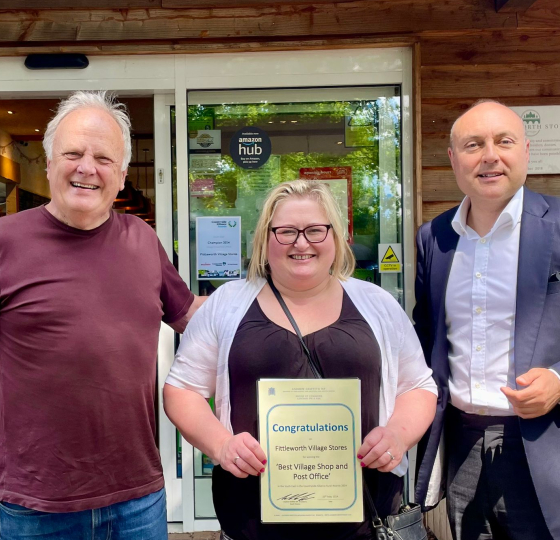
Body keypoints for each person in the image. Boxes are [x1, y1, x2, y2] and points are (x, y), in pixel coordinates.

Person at [0, 91, 204, 540]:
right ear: (48, 164)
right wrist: (0, 446)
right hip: (37, 503)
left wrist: (280, 296)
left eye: (104, 158)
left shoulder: (142, 240)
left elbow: (194, 320)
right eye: (73, 153)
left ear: (121, 176)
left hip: (137, 495)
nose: (87, 167)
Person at [164, 180, 437, 540]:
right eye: (286, 231)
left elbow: (418, 386)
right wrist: (220, 444)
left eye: (315, 230)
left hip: (365, 520)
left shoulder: (377, 305)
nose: (301, 242)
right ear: (265, 238)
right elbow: (182, 390)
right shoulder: (227, 304)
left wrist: (397, 436)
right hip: (252, 520)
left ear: (336, 237)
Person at [413, 100, 560, 540]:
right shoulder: (434, 238)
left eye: (504, 141)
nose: (490, 155)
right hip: (461, 444)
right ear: (454, 160)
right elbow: (426, 339)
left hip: (546, 444)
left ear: (526, 152)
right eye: (473, 145)